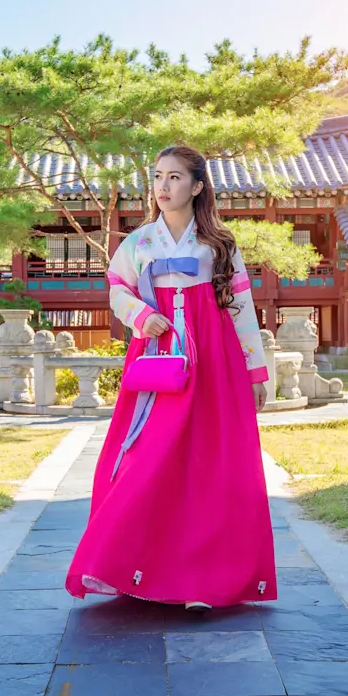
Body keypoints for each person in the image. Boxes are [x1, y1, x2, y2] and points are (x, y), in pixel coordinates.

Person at [64, 145, 277, 611]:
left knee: (209, 460)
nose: (163, 186)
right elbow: (117, 288)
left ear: (197, 186)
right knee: (145, 457)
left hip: (215, 360)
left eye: (175, 177)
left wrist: (255, 372)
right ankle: (131, 567)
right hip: (159, 360)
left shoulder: (219, 243)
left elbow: (240, 309)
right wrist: (142, 315)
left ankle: (206, 578)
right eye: (158, 176)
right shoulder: (140, 243)